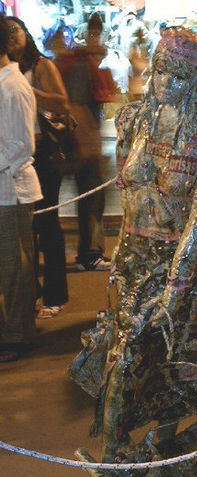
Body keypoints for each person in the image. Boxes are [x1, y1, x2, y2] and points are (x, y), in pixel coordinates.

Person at [70, 28, 197, 477]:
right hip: (133, 261)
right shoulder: (135, 117)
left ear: (192, 78)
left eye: (172, 73)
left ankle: (147, 471)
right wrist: (121, 262)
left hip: (174, 271)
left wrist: (172, 290)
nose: (158, 80)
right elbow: (130, 208)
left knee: (165, 373)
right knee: (123, 373)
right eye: (156, 69)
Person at [6, 16, 69, 319]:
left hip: (42, 153)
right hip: (19, 157)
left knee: (47, 225)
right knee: (23, 233)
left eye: (16, 29)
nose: (13, 36)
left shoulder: (39, 66)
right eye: (9, 32)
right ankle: (32, 293)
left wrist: (31, 92)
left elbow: (62, 103)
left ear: (26, 34)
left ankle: (56, 294)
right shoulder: (8, 71)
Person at [55, 13, 112, 271]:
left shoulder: (81, 63)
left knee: (89, 196)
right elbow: (77, 106)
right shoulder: (81, 67)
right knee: (92, 196)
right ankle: (90, 254)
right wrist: (88, 143)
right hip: (81, 141)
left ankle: (86, 252)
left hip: (75, 140)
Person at [0, 14, 42, 361]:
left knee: (15, 266)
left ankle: (17, 336)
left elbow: (21, 145)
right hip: (5, 188)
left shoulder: (12, 86)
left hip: (10, 190)